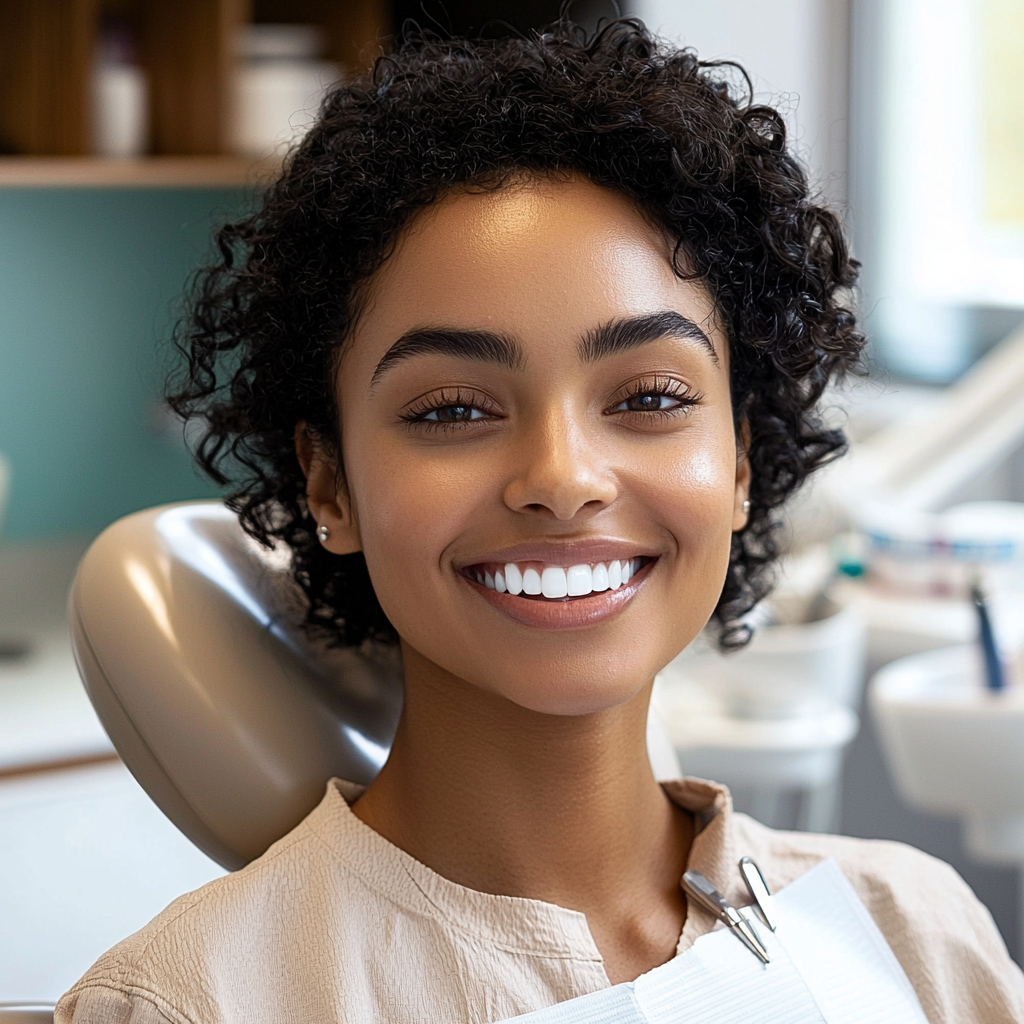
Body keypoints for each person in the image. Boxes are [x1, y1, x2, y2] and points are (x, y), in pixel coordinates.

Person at [57, 18, 1024, 1024]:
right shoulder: (189, 1002)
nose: (561, 479)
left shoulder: (914, 934)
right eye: (451, 410)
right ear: (330, 484)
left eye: (648, 395)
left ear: (737, 461)